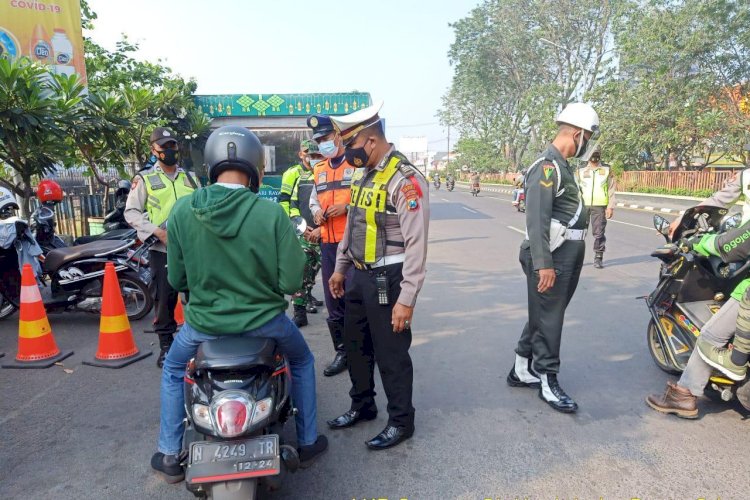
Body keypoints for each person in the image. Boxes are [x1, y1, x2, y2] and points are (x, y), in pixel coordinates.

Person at [151, 126, 327, 483]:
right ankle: (307, 442)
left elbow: (176, 280)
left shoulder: (183, 212)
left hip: (202, 326)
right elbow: (292, 282)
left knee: (173, 370)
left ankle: (169, 454)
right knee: (302, 360)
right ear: (256, 167)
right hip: (266, 323)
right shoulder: (270, 213)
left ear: (212, 163)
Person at [327, 101, 430, 450]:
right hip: (358, 276)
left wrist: (408, 298)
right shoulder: (362, 174)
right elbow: (352, 227)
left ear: (370, 141)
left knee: (391, 355)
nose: (347, 153)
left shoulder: (406, 180)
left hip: (390, 277)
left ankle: (402, 421)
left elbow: (416, 244)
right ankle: (363, 405)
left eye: (351, 146)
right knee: (356, 348)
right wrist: (341, 269)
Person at [506, 102, 599, 414]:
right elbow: (537, 219)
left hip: (567, 253)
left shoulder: (562, 166)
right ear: (576, 134)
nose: (587, 144)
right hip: (552, 256)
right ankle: (548, 381)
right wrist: (544, 264)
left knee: (544, 313)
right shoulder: (548, 167)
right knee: (550, 318)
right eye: (587, 137)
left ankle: (521, 367)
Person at [647, 167, 750, 418]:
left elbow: (731, 246)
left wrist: (698, 242)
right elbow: (719, 200)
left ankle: (683, 395)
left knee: (711, 335)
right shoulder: (744, 176)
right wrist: (684, 216)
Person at [125, 127, 197, 367]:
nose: (169, 151)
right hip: (162, 249)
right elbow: (132, 213)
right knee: (165, 298)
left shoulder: (190, 178)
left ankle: (199, 342)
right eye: (164, 147)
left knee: (197, 295)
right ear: (153, 150)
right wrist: (157, 232)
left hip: (192, 248)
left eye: (172, 146)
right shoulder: (144, 179)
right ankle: (166, 347)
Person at [307, 114, 353, 376]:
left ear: (337, 135)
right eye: (319, 140)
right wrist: (316, 212)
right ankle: (343, 351)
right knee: (333, 299)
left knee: (356, 297)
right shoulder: (319, 169)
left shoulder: (356, 165)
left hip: (353, 242)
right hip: (327, 241)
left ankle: (365, 349)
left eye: (326, 138)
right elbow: (315, 200)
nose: (323, 143)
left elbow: (366, 198)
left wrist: (346, 207)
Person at [279, 140, 323, 327]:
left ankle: (308, 297)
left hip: (324, 232)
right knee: (300, 271)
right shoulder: (293, 174)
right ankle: (299, 311)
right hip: (302, 232)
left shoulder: (323, 173)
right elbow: (288, 202)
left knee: (315, 271)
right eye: (308, 153)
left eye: (315, 155)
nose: (311, 158)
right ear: (301, 154)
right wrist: (300, 228)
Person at [576, 147, 616, 269]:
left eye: (597, 153)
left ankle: (598, 257)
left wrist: (610, 207)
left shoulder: (607, 170)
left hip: (599, 207)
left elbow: (611, 189)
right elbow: (576, 189)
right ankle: (576, 258)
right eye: (593, 153)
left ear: (600, 154)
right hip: (583, 207)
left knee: (599, 233)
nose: (595, 155)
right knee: (579, 233)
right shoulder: (580, 171)